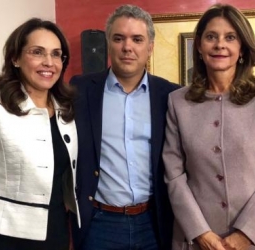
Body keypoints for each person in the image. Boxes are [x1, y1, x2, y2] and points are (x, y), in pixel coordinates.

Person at [69, 4, 179, 250]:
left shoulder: (170, 94)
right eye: (119, 38)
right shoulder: (81, 90)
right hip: (99, 224)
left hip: (154, 223)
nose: (127, 47)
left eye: (137, 39)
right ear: (109, 43)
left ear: (150, 47)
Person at [163, 3, 255, 250]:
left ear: (242, 47)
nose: (220, 44)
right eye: (211, 37)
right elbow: (174, 175)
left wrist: (245, 234)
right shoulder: (177, 102)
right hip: (194, 240)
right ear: (199, 46)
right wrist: (201, 233)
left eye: (230, 37)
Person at [0, 18, 80, 250]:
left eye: (56, 54)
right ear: (15, 58)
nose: (49, 62)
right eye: (37, 52)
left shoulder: (66, 110)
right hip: (1, 236)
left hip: (55, 230)